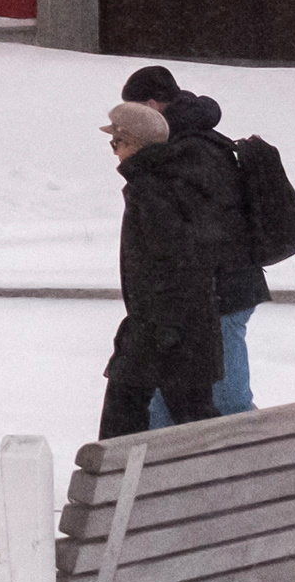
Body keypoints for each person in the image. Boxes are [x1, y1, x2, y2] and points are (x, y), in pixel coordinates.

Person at [122, 63, 265, 417]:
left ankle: (250, 462)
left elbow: (196, 231)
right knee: (174, 397)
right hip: (212, 292)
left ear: (153, 105)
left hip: (219, 293)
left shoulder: (187, 151)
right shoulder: (195, 142)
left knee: (229, 402)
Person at [98, 94, 238, 439]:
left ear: (135, 144)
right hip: (175, 330)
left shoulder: (154, 190)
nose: (114, 150)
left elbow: (176, 264)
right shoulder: (170, 179)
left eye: (117, 141)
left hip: (165, 331)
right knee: (192, 420)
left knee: (127, 413)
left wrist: (163, 330)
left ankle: (113, 488)